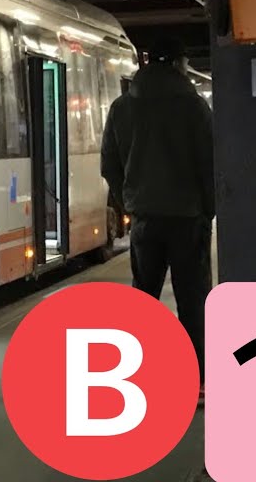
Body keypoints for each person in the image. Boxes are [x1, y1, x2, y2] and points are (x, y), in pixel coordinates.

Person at [100, 37, 214, 396]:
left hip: (146, 220)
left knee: (144, 298)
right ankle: (197, 381)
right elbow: (210, 163)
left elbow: (109, 165)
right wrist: (208, 209)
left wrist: (130, 201)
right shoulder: (195, 108)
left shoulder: (122, 107)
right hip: (188, 217)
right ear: (180, 64)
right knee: (192, 299)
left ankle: (141, 377)